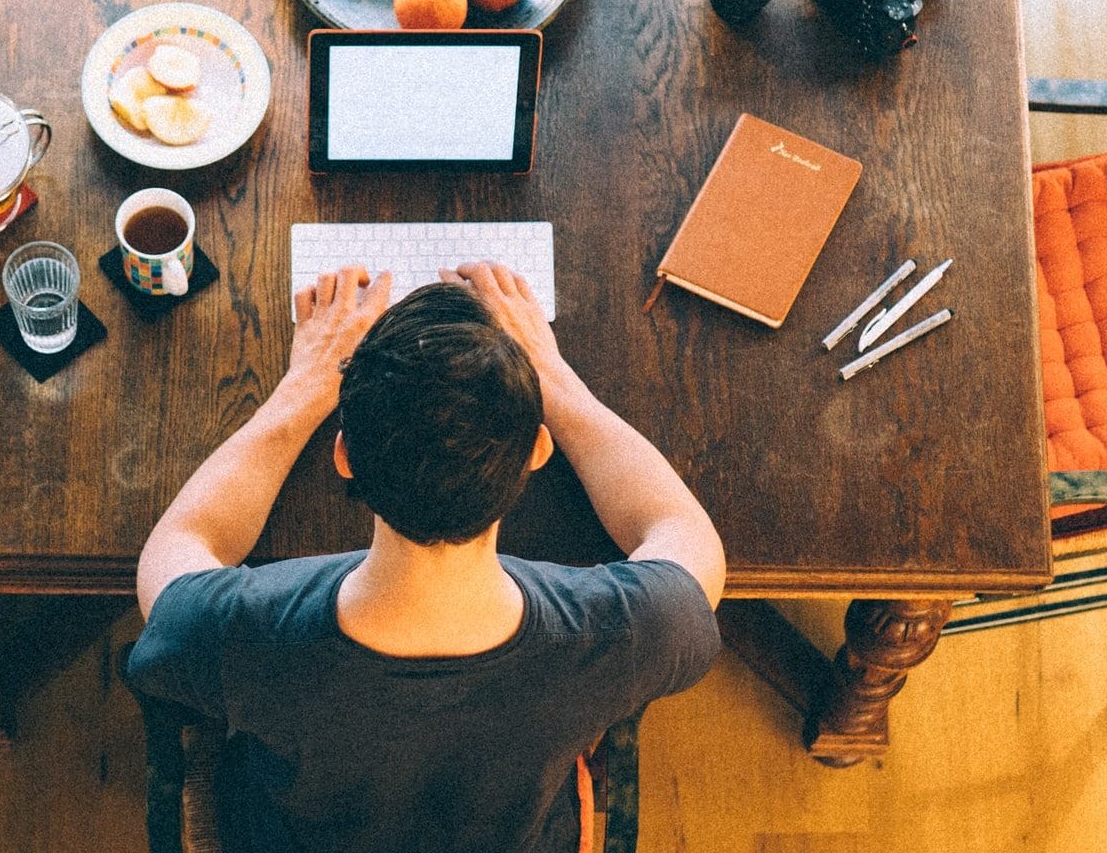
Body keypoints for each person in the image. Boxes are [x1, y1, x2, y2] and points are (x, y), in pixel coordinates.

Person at [127, 262, 725, 853]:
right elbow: (685, 536)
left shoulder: (241, 636)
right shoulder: (614, 637)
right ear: (537, 452)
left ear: (344, 457)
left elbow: (176, 549)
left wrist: (301, 389)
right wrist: (556, 382)